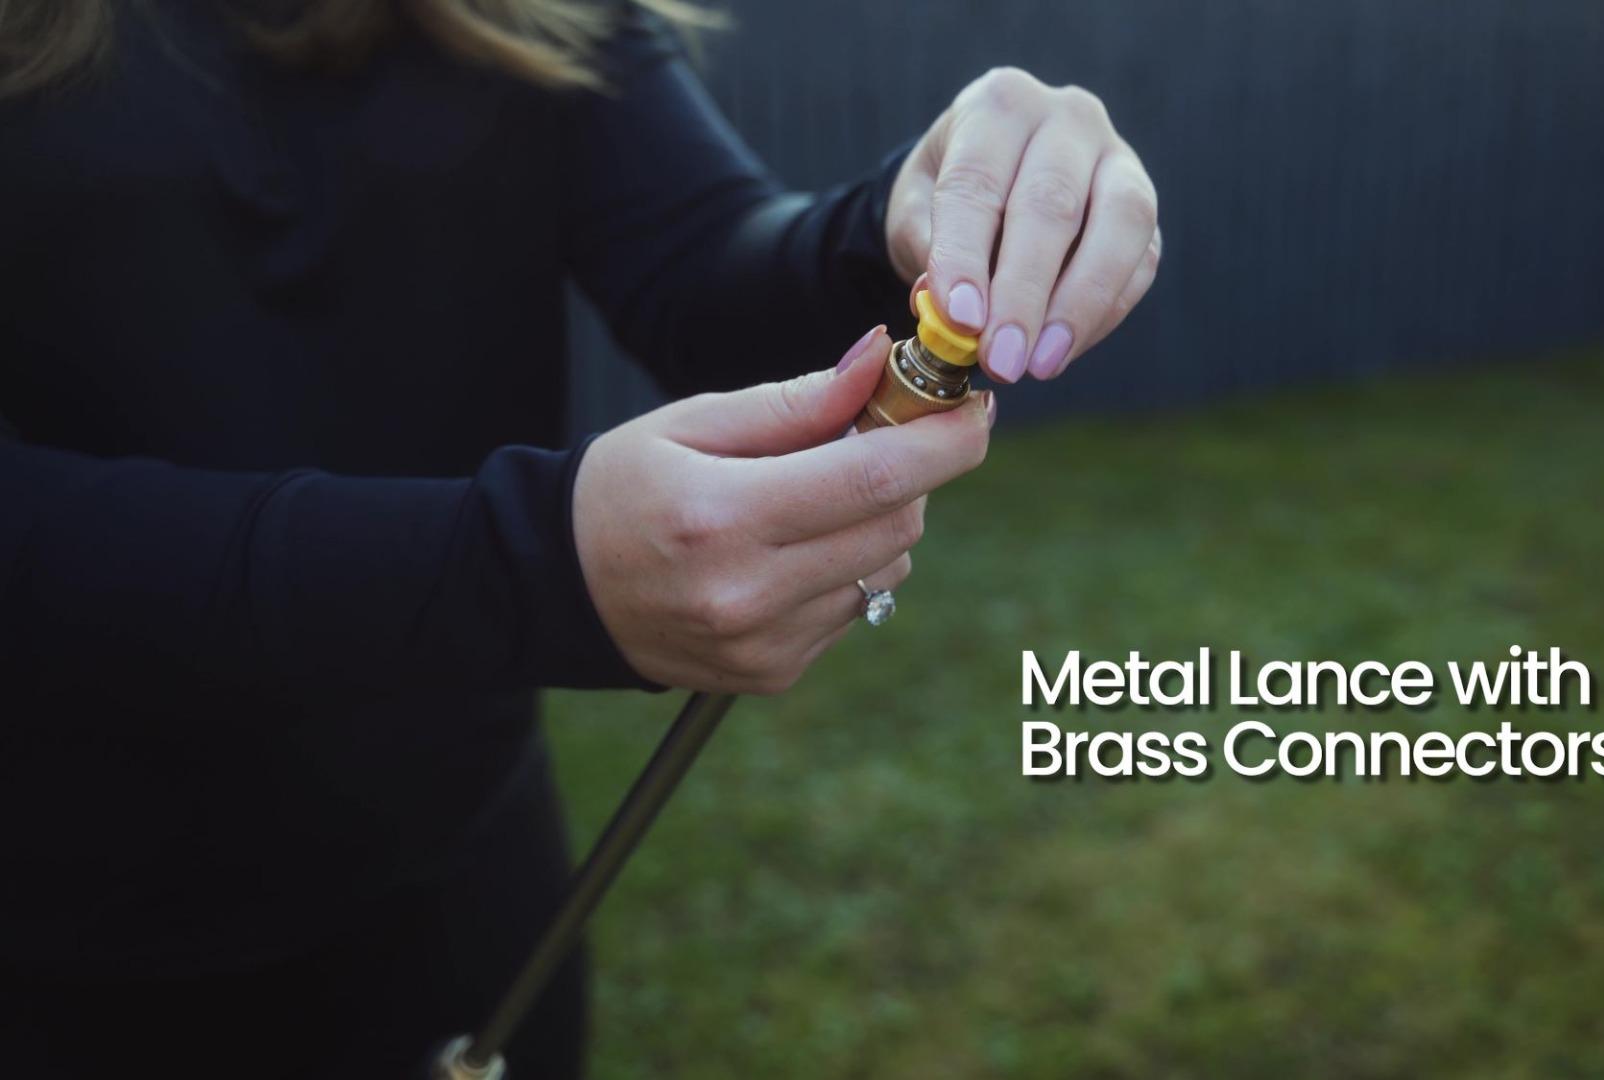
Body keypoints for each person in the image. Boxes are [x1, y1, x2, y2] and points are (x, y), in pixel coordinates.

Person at [0, 1, 1160, 1075]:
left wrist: (891, 232)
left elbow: (705, 271)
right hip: (64, 936)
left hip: (465, 889)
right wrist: (518, 567)